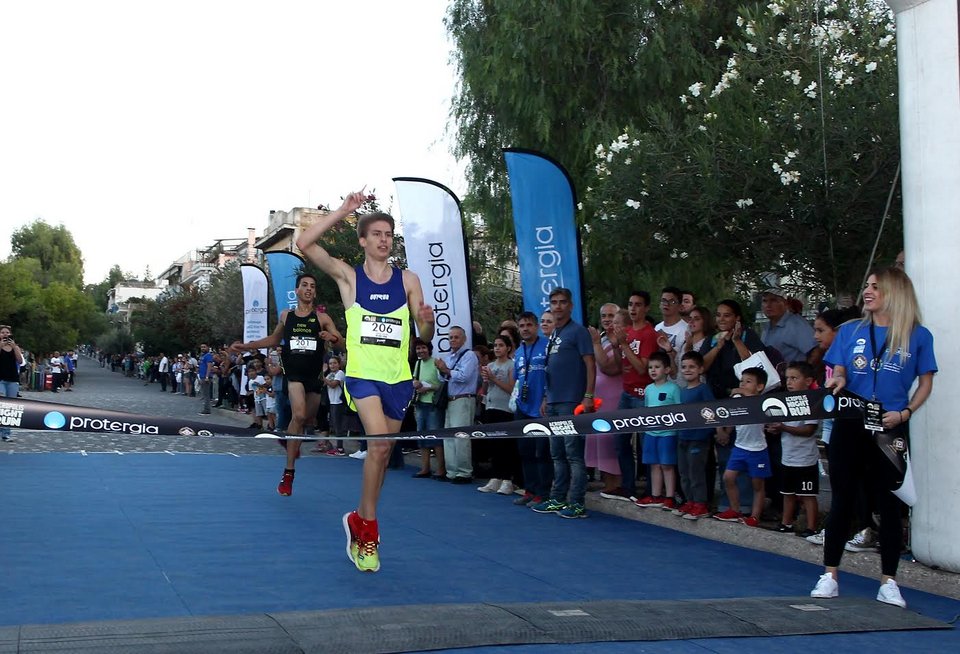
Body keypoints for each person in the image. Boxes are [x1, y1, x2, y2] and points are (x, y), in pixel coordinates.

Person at [295, 190, 434, 573]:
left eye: (389, 233)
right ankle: (369, 528)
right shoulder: (348, 277)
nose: (384, 239)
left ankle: (360, 517)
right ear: (363, 240)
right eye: (376, 233)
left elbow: (424, 333)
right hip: (363, 377)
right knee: (379, 446)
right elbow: (304, 242)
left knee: (383, 453)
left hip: (398, 379)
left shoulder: (409, 279)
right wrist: (343, 210)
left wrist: (427, 319)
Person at [810, 268, 936, 609]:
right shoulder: (851, 330)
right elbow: (839, 369)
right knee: (842, 500)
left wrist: (906, 412)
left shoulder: (918, 335)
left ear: (895, 292)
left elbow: (925, 381)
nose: (868, 291)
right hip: (850, 422)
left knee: (889, 505)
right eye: (866, 285)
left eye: (876, 287)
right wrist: (838, 378)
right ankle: (829, 575)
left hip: (890, 426)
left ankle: (889, 581)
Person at [230, 273, 343, 496]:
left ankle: (289, 438)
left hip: (314, 377)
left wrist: (332, 338)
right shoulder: (286, 316)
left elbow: (342, 342)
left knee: (307, 419)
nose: (309, 289)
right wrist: (246, 346)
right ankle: (289, 472)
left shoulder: (323, 318)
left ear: (315, 292)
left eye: (313, 286)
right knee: (299, 415)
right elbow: (273, 340)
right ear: (297, 291)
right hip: (294, 375)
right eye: (305, 285)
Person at [530, 288, 596, 519]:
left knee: (573, 454)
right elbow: (550, 369)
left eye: (562, 302)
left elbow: (590, 364)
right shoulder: (554, 335)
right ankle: (557, 498)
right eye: (554, 302)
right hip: (555, 401)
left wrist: (588, 395)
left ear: (571, 305)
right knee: (556, 453)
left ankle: (577, 502)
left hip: (572, 401)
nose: (558, 306)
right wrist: (546, 397)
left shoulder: (578, 332)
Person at [612, 291, 658, 500]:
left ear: (646, 308)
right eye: (630, 304)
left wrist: (623, 344)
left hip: (642, 394)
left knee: (645, 444)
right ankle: (628, 486)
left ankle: (650, 491)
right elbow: (621, 363)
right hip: (627, 392)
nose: (633, 309)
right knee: (620, 439)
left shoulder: (649, 334)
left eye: (638, 305)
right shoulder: (627, 331)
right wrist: (617, 345)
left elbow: (642, 368)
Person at [766, 361, 819, 538]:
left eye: (794, 378)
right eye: (787, 378)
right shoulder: (784, 401)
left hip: (805, 459)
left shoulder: (812, 402)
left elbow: (809, 430)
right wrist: (774, 428)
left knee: (807, 494)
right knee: (787, 492)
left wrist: (783, 428)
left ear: (808, 380)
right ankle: (786, 523)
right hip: (788, 457)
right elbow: (781, 425)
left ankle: (812, 527)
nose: (789, 382)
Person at [713, 367, 770, 527]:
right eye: (741, 381)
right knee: (728, 478)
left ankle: (754, 516)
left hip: (758, 450)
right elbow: (732, 418)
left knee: (757, 484)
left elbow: (754, 403)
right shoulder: (740, 400)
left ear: (760, 386)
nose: (743, 384)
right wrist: (724, 431)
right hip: (740, 447)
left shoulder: (761, 402)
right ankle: (735, 510)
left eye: (748, 382)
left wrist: (741, 392)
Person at [634, 352, 682, 510]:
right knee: (654, 465)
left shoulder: (674, 388)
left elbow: (680, 411)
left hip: (668, 434)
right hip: (650, 433)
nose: (653, 370)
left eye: (657, 367)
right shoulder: (648, 389)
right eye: (650, 367)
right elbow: (647, 409)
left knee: (667, 465)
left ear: (667, 370)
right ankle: (655, 496)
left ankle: (669, 496)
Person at [513, 311, 551, 506]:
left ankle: (543, 493)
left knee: (541, 452)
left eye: (529, 325)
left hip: (542, 407)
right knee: (525, 451)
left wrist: (546, 396)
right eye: (522, 326)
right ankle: (530, 489)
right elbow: (517, 379)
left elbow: (552, 374)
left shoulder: (547, 346)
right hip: (523, 407)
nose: (525, 329)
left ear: (536, 327)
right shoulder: (519, 352)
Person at [435, 326, 480, 483]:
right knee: (449, 437)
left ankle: (464, 471)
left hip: (464, 398)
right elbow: (441, 379)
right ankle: (452, 471)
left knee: (461, 436)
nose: (453, 340)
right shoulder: (449, 357)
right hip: (450, 399)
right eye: (451, 337)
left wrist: (445, 370)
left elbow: (464, 377)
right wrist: (441, 370)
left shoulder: (470, 356)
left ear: (464, 339)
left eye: (456, 337)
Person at [673, 351, 715, 519]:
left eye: (692, 367)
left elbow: (712, 412)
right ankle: (689, 501)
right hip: (683, 437)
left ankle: (701, 504)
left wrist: (717, 431)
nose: (687, 370)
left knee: (696, 472)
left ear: (700, 369)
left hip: (699, 438)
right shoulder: (682, 391)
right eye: (684, 367)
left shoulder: (703, 389)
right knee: (684, 472)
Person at [589, 304, 624, 500]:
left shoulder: (617, 340)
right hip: (598, 396)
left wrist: (595, 344)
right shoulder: (602, 338)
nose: (607, 319)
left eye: (611, 315)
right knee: (600, 440)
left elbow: (609, 367)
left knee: (610, 439)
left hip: (614, 395)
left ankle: (616, 484)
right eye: (603, 315)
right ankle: (607, 482)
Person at [476, 334, 519, 495]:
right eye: (495, 345)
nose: (497, 348)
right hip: (490, 406)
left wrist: (494, 378)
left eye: (501, 345)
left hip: (505, 409)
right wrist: (486, 380)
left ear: (508, 348)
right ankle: (495, 477)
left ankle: (507, 479)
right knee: (493, 444)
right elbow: (485, 390)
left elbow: (511, 389)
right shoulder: (491, 365)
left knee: (505, 445)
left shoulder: (511, 365)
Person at [411, 338, 445, 478]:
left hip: (433, 404)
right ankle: (425, 468)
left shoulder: (436, 362)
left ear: (429, 349)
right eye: (418, 348)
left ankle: (441, 469)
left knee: (436, 437)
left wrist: (428, 387)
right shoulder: (418, 364)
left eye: (423, 348)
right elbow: (414, 380)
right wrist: (416, 384)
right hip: (420, 403)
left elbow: (442, 385)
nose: (421, 351)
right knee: (421, 436)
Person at [760, 288, 817, 364]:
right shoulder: (767, 327)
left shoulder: (796, 325)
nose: (768, 305)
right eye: (765, 301)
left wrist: (804, 372)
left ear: (785, 303)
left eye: (773, 300)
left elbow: (815, 351)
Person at [1, 325, 25, 442]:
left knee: (9, 407)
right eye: (2, 332)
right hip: (0, 379)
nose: (5, 334)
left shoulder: (14, 346)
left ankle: (5, 433)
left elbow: (20, 361)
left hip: (12, 379)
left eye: (7, 332)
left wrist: (15, 347)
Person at [197, 343, 215, 415]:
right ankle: (206, 408)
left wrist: (207, 376)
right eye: (201, 347)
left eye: (204, 347)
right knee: (204, 394)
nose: (203, 348)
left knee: (206, 394)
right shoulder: (202, 356)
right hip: (201, 376)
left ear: (208, 347)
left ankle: (207, 409)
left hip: (206, 377)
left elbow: (209, 366)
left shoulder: (208, 356)